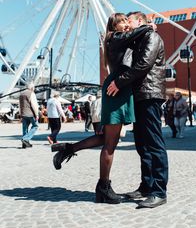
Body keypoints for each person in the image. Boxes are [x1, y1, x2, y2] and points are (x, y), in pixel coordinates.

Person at [51, 13, 150, 204]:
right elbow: (133, 35)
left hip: (119, 89)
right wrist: (148, 27)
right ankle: (103, 187)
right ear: (114, 26)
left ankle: (67, 149)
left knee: (107, 138)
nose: (126, 24)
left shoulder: (116, 40)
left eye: (126, 21)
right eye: (122, 21)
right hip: (116, 90)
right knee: (110, 144)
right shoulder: (115, 37)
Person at [107, 11, 168, 209]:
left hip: (150, 94)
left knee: (154, 143)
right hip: (139, 96)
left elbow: (143, 65)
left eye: (129, 20)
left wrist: (119, 82)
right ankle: (146, 186)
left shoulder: (152, 36)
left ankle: (159, 191)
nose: (127, 23)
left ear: (139, 21)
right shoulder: (137, 40)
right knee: (142, 144)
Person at [19, 82, 39, 148]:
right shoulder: (31, 93)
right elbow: (34, 105)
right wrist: (36, 114)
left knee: (25, 128)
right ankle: (25, 139)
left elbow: (20, 105)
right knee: (35, 126)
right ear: (32, 88)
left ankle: (25, 144)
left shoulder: (21, 94)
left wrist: (20, 114)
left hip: (23, 113)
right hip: (31, 113)